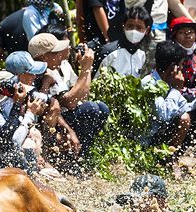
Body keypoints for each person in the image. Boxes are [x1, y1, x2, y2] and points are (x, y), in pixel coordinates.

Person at [31, 32, 109, 161]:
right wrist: (85, 69)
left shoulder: (56, 68)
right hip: (49, 125)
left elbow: (83, 96)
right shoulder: (42, 74)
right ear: (44, 57)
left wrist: (86, 69)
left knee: (101, 108)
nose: (60, 55)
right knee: (90, 108)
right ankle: (74, 160)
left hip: (61, 119)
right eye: (56, 52)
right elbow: (70, 102)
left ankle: (82, 157)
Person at [143, 40, 196, 177]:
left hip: (169, 133)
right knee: (184, 118)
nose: (182, 70)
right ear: (172, 67)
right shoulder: (149, 83)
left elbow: (183, 106)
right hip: (153, 141)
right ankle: (170, 160)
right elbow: (162, 115)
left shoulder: (170, 81)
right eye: (180, 66)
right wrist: (176, 90)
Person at [98, 6, 153, 78]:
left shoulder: (146, 55)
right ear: (123, 26)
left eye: (139, 28)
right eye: (130, 26)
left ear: (147, 30)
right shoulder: (108, 52)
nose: (134, 31)